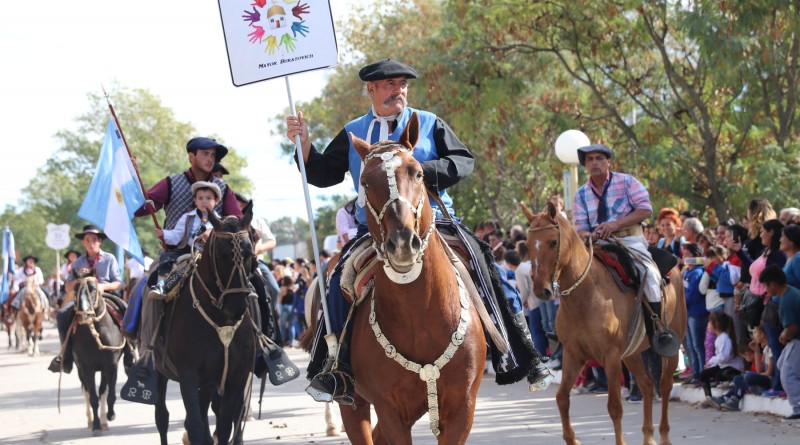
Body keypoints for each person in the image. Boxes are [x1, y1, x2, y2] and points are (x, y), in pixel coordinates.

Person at [285, 58, 551, 404]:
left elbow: (463, 161)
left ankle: (522, 354)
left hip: (436, 223)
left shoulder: (428, 123)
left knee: (488, 267)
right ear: (371, 89)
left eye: (403, 84)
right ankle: (333, 366)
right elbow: (323, 174)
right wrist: (304, 144)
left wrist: (413, 170)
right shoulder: (354, 131)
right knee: (337, 281)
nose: (399, 91)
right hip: (374, 231)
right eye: (390, 85)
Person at [573, 143, 677, 355]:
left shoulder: (627, 181)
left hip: (629, 240)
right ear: (585, 165)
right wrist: (587, 235)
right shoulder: (581, 194)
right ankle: (568, 331)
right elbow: (581, 227)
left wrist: (615, 224)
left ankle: (658, 330)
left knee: (649, 274)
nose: (594, 163)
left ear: (608, 162)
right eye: (590, 159)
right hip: (597, 244)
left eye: (599, 158)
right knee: (572, 277)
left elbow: (645, 209)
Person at [48, 225, 131, 374]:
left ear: (100, 241)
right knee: (62, 314)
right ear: (83, 242)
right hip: (83, 297)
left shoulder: (109, 259)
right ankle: (66, 356)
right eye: (87, 240)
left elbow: (118, 283)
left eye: (94, 240)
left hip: (105, 295)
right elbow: (68, 287)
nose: (91, 243)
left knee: (126, 309)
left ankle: (130, 354)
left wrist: (102, 287)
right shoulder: (77, 263)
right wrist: (79, 279)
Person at [150, 181, 221, 297]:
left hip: (209, 254)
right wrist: (163, 233)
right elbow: (176, 235)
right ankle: (161, 286)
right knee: (166, 257)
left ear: (216, 201)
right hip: (187, 250)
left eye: (208, 198)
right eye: (200, 198)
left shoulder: (220, 222)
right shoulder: (187, 217)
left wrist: (211, 233)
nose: (204, 201)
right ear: (195, 201)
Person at [760, 265, 800, 419]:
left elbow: (792, 327)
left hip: (797, 340)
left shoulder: (787, 301)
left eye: (765, 285)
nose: (765, 289)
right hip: (795, 340)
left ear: (773, 285)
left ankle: (798, 408)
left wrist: (784, 335)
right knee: (781, 364)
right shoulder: (791, 292)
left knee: (787, 374)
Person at [701, 311, 744, 408]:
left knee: (719, 375)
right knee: (704, 374)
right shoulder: (719, 338)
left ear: (716, 324)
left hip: (733, 367)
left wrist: (711, 361)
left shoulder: (724, 338)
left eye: (709, 322)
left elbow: (724, 357)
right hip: (724, 365)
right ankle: (709, 397)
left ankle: (734, 380)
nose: (708, 325)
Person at [682, 243, 708, 385]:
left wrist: (679, 302)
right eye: (684, 254)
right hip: (687, 313)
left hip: (696, 313)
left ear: (696, 255)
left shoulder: (697, 272)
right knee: (690, 346)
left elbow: (692, 295)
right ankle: (695, 374)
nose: (684, 257)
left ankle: (703, 375)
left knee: (698, 345)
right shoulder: (685, 272)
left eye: (688, 254)